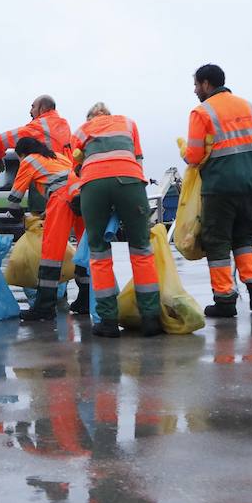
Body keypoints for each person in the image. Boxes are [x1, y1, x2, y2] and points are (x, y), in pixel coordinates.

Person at [184, 64, 252, 317]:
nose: (195, 90)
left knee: (217, 241)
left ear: (207, 84)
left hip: (221, 184)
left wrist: (187, 155)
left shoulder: (202, 112)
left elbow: (194, 155)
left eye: (197, 84)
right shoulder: (249, 107)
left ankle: (224, 300)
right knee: (244, 237)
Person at [71, 103, 161, 337]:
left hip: (94, 183)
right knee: (141, 248)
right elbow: (138, 159)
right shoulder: (128, 123)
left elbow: (76, 166)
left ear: (90, 117)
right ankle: (150, 318)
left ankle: (108, 321)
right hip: (130, 180)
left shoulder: (82, 130)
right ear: (109, 115)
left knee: (99, 253)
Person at [7, 137, 79, 321]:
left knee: (51, 256)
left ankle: (44, 308)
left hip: (62, 199)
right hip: (81, 196)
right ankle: (84, 301)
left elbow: (14, 199)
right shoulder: (58, 157)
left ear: (23, 153)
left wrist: (18, 216)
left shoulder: (30, 160)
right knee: (83, 251)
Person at [0, 94, 73, 172]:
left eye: (33, 107)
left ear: (42, 109)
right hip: (68, 176)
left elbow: (1, 140)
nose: (30, 111)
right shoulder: (64, 125)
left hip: (48, 178)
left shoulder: (39, 127)